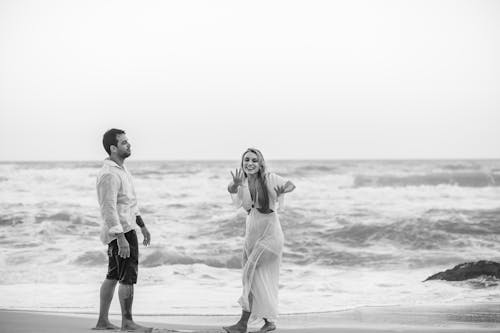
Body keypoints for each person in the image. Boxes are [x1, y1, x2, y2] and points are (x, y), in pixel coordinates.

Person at [223, 148, 296, 333]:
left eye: (254, 160)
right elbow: (233, 193)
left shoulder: (269, 178)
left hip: (270, 236)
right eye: (247, 160)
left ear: (260, 163)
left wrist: (282, 192)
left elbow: (290, 184)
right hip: (252, 235)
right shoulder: (243, 181)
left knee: (249, 275)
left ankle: (242, 324)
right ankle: (268, 322)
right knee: (254, 280)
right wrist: (235, 185)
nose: (250, 163)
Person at [94, 128, 152, 332]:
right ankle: (127, 323)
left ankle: (102, 322)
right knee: (126, 276)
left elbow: (130, 202)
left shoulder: (122, 170)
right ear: (113, 148)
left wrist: (142, 225)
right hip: (120, 232)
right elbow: (108, 208)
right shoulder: (109, 174)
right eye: (124, 142)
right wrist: (121, 238)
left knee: (113, 274)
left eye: (128, 141)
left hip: (126, 228)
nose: (129, 144)